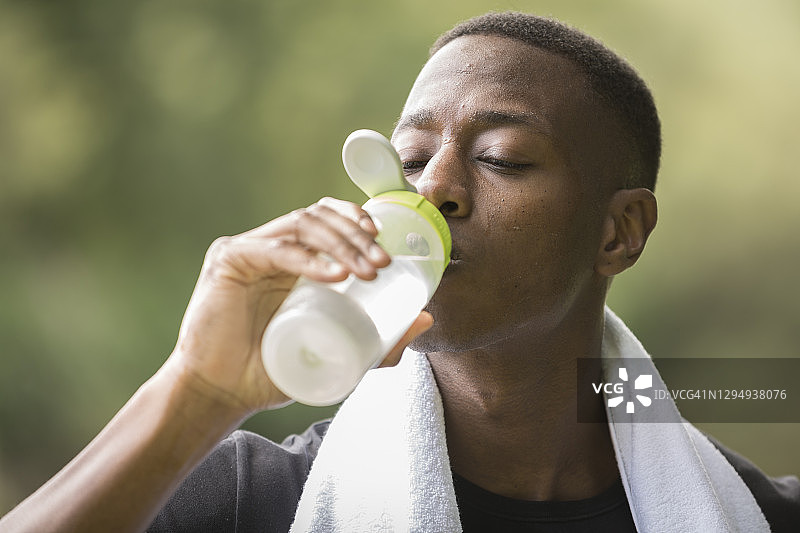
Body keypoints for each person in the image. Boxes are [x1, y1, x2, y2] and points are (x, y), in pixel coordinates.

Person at [2, 11, 798, 533]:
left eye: (501, 157)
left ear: (620, 233)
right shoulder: (256, 501)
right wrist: (196, 392)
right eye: (411, 159)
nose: (435, 188)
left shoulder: (754, 514)